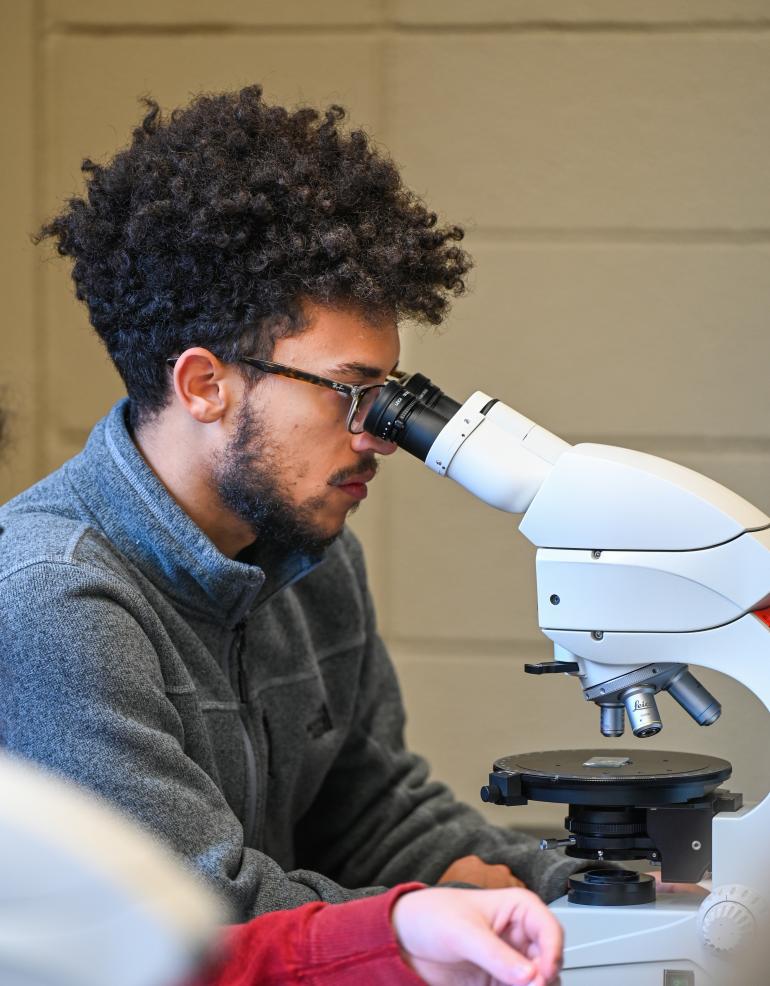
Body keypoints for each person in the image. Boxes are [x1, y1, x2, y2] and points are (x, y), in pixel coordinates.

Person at [0, 85, 591, 922]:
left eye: (390, 397)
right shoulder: (51, 599)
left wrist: (579, 895)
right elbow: (199, 921)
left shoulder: (309, 552)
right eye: (349, 394)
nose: (381, 437)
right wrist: (425, 925)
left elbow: (373, 814)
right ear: (204, 385)